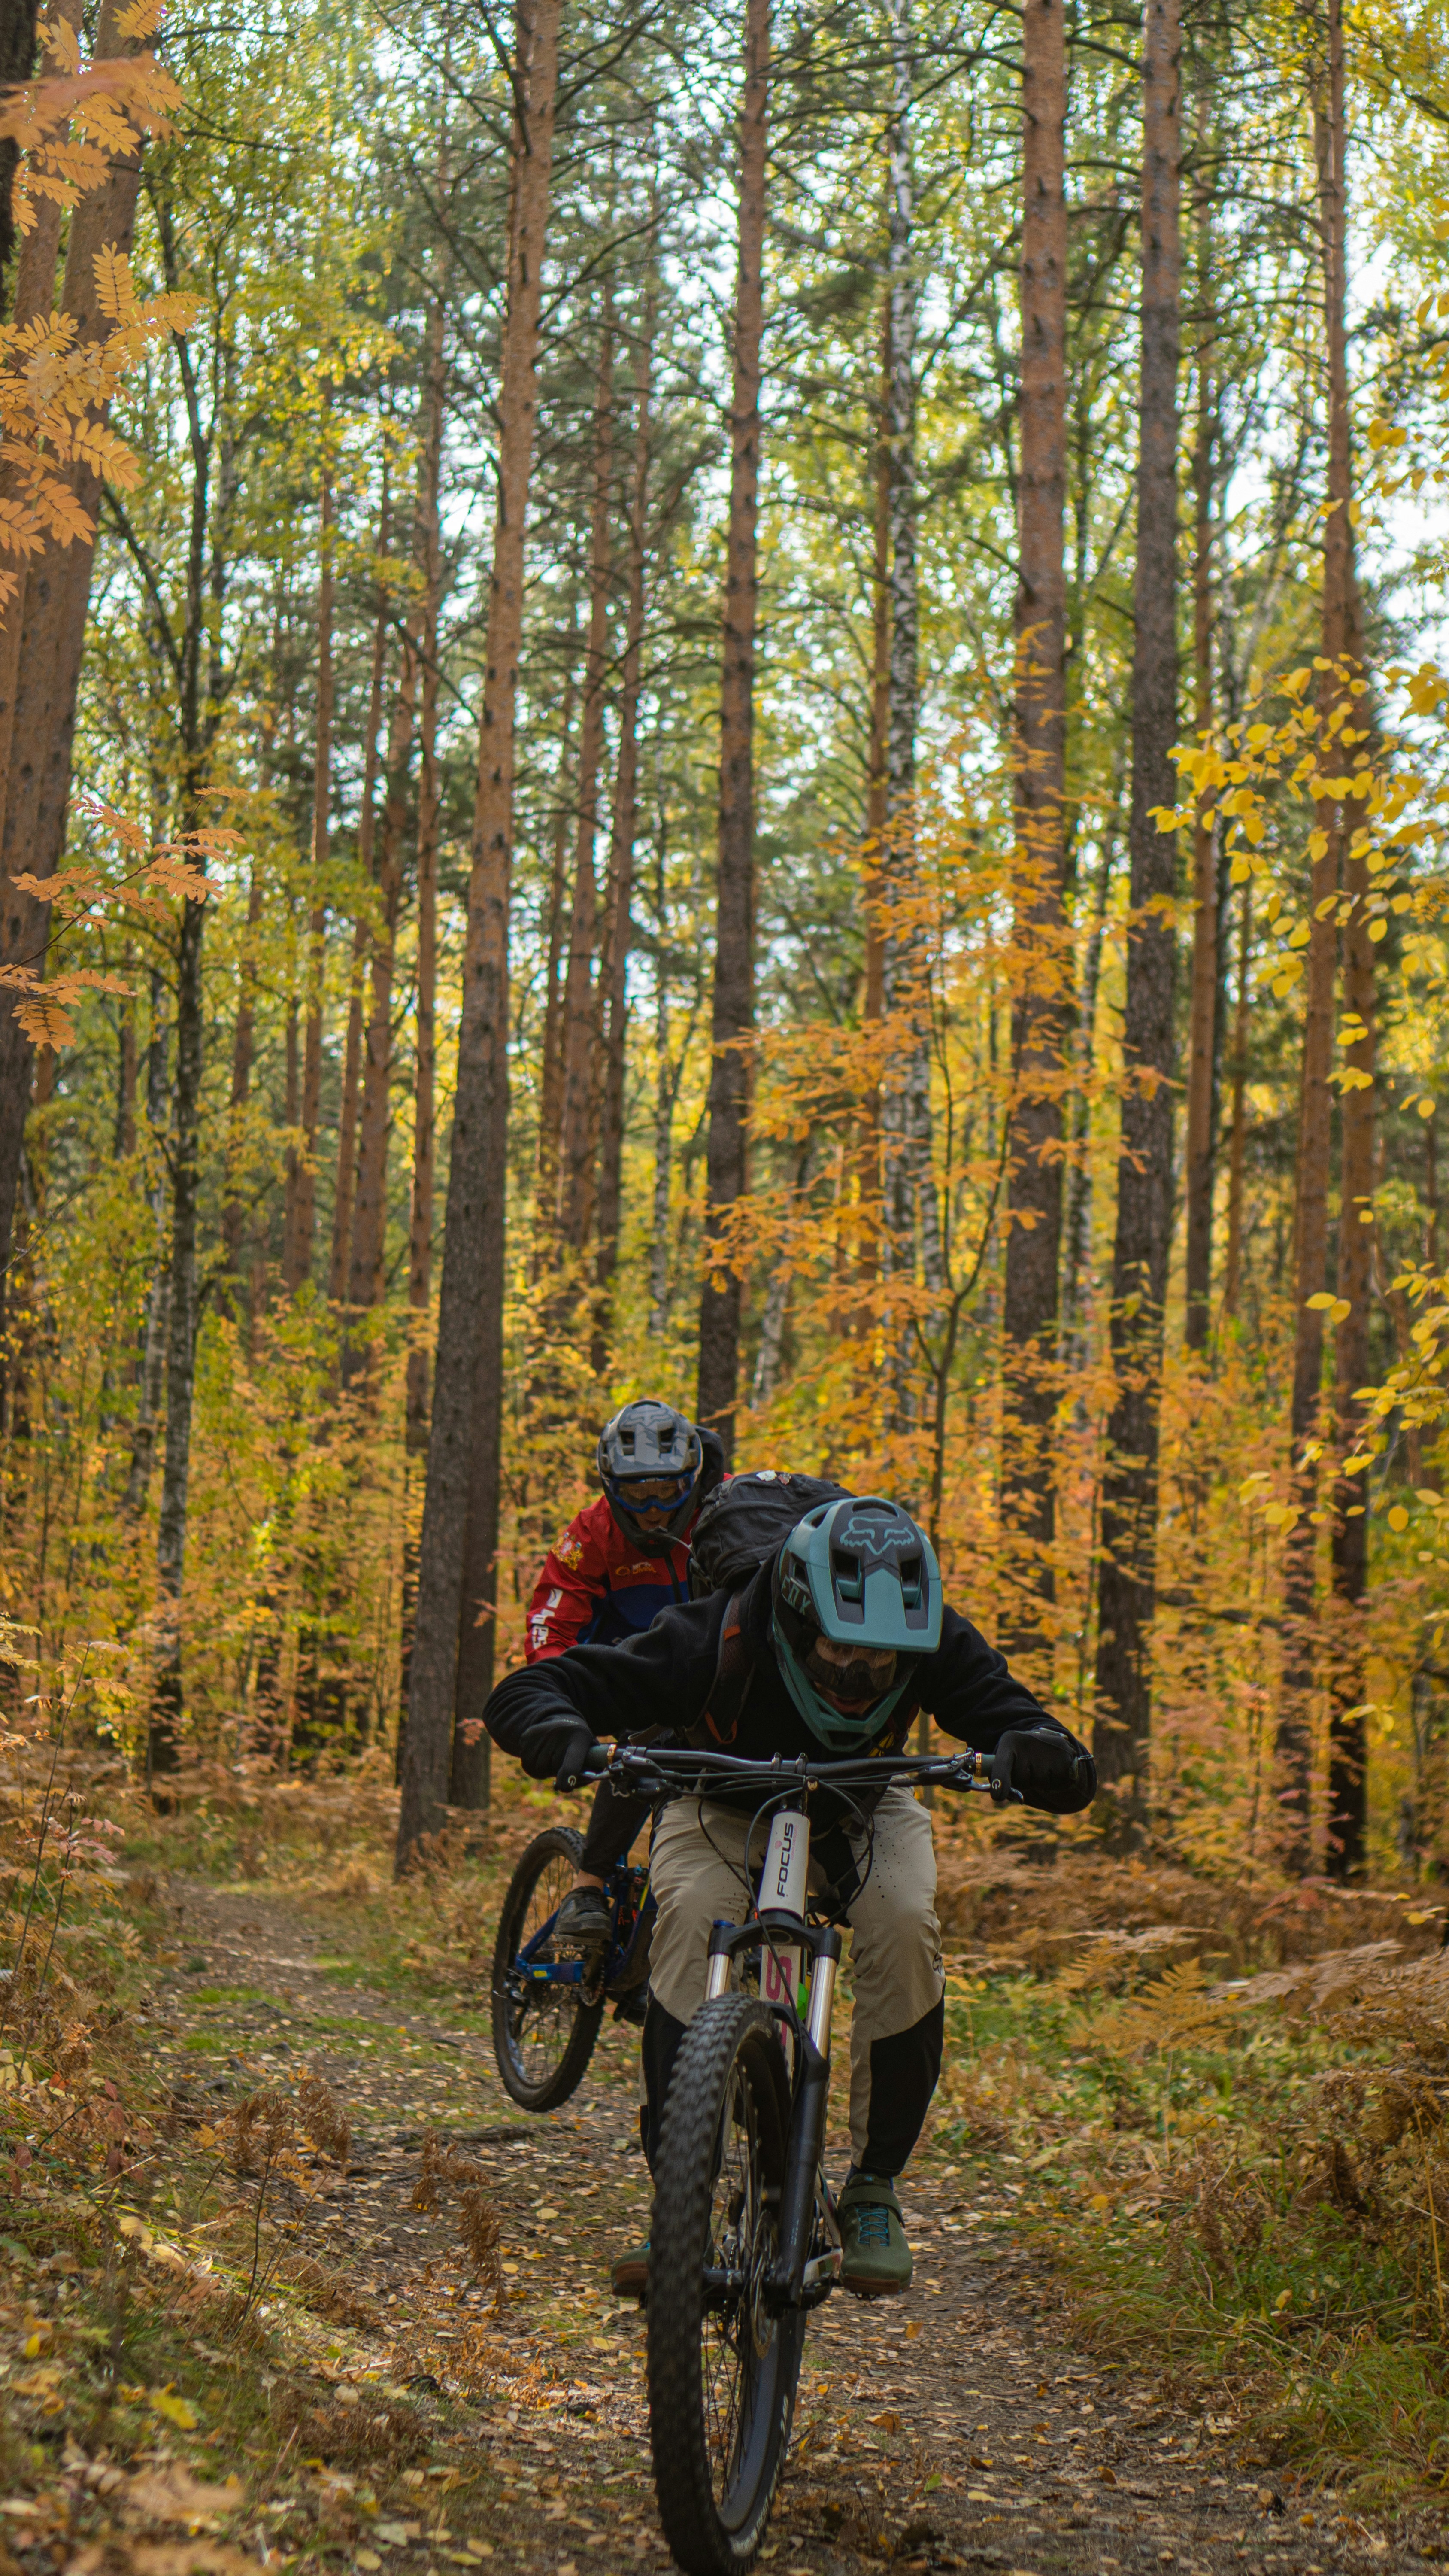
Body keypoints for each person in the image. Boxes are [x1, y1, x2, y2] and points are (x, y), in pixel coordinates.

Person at [486, 1490, 1096, 2299]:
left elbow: (1039, 1733)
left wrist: (1040, 1752)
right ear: (795, 1620)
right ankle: (682, 2199)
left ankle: (873, 2189)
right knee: (688, 1924)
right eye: (839, 1653)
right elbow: (533, 1690)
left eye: (883, 1663)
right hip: (719, 1802)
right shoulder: (713, 1635)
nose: (859, 1679)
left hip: (861, 1805)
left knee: (905, 1925)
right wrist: (554, 1726)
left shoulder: (935, 1638)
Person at [526, 1396, 724, 1950]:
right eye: (637, 1495)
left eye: (668, 1490)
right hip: (625, 1671)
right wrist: (554, 1705)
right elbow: (550, 1626)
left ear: (693, 1478)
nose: (654, 1509)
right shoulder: (590, 1535)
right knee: (645, 1740)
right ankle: (587, 1887)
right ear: (612, 1487)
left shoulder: (729, 1508)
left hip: (714, 1670)